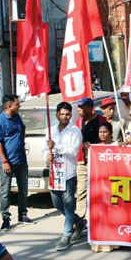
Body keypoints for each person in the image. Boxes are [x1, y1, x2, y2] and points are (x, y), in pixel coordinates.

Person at [42, 102, 84, 251]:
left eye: (68, 115)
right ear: (57, 115)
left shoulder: (75, 131)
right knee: (57, 204)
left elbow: (73, 152)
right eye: (62, 114)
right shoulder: (50, 131)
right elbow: (44, 150)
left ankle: (65, 237)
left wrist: (57, 146)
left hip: (68, 174)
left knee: (68, 206)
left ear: (70, 115)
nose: (65, 117)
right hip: (54, 174)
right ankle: (78, 222)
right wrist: (47, 155)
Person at [0, 94, 33, 230]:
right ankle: (6, 219)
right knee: (5, 191)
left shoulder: (17, 117)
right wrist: (4, 161)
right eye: (17, 104)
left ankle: (22, 214)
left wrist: (21, 143)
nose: (19, 106)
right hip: (7, 162)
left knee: (23, 189)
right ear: (9, 105)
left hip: (21, 160)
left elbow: (23, 129)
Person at [75, 97, 106, 222]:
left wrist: (95, 146)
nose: (79, 110)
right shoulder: (79, 122)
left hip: (98, 162)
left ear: (89, 108)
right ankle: (80, 220)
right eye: (78, 107)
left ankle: (99, 218)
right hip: (82, 161)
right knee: (81, 191)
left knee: (99, 191)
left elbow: (106, 139)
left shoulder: (101, 120)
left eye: (82, 107)